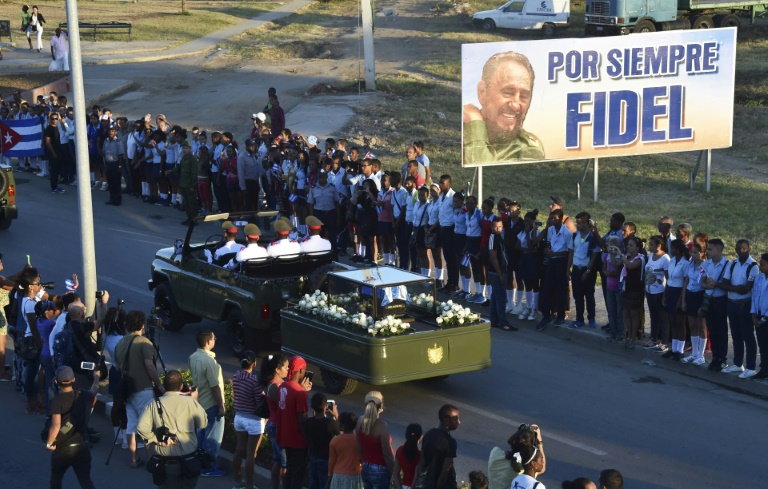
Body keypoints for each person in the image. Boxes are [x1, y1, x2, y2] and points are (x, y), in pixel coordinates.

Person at [463, 51, 544, 165]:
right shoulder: (462, 127)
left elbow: (484, 172)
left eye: (523, 96)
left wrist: (475, 127)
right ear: (483, 92)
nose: (515, 106)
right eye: (508, 93)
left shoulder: (528, 149)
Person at [136, 370, 208, 489]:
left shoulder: (154, 404)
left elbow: (141, 427)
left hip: (165, 463)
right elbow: (202, 423)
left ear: (164, 386)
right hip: (189, 461)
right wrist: (195, 399)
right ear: (181, 386)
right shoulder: (190, 402)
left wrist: (156, 440)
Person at [114, 310, 164, 469]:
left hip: (128, 390)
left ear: (127, 325)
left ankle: (134, 458)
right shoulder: (144, 342)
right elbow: (150, 366)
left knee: (132, 425)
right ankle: (152, 460)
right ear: (143, 325)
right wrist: (159, 384)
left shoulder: (120, 343)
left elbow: (116, 366)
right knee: (149, 426)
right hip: (143, 388)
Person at [45, 366, 100, 489]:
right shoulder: (83, 395)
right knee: (85, 481)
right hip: (82, 446)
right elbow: (95, 388)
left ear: (56, 382)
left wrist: (49, 443)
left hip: (63, 449)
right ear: (74, 379)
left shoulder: (56, 401)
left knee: (56, 480)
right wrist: (96, 376)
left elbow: (56, 425)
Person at [188, 329, 226, 477]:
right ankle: (208, 467)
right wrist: (221, 406)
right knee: (212, 439)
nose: (215, 340)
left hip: (199, 403)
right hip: (211, 405)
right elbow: (215, 387)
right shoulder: (210, 362)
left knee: (201, 436)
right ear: (208, 342)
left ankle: (198, 464)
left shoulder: (193, 357)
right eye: (214, 338)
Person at [721, 239, 759, 378]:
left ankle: (751, 366)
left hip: (745, 304)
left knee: (748, 335)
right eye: (738, 248)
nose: (740, 251)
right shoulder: (732, 264)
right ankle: (737, 364)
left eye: (743, 248)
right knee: (736, 334)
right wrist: (736, 288)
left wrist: (732, 288)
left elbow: (747, 288)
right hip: (732, 302)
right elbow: (724, 284)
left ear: (748, 249)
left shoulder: (753, 265)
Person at [278, 355, 313, 489]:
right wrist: (308, 440)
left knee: (290, 470)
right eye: (304, 370)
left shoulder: (283, 387)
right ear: (300, 371)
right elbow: (302, 419)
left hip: (285, 437)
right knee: (297, 473)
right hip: (297, 440)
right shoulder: (299, 393)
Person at [534, 209, 572, 330]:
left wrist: (556, 255)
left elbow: (569, 251)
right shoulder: (550, 230)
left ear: (561, 219)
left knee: (561, 290)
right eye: (551, 218)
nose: (552, 220)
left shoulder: (567, 233)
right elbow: (549, 243)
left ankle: (560, 315)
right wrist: (548, 251)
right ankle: (546, 315)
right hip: (551, 262)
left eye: (555, 218)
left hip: (561, 262)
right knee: (547, 288)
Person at [232, 350, 265, 489]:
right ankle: (250, 486)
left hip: (239, 418)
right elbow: (260, 402)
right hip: (253, 420)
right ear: (254, 363)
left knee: (239, 449)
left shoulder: (235, 376)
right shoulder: (254, 381)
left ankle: (238, 482)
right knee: (251, 454)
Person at [701, 238, 730, 372]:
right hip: (709, 299)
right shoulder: (706, 264)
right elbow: (701, 281)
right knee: (712, 329)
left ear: (719, 250)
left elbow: (726, 284)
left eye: (711, 249)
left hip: (720, 300)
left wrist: (716, 284)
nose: (708, 251)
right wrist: (706, 284)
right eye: (707, 249)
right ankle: (715, 356)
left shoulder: (727, 264)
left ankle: (722, 358)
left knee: (721, 330)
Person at [567, 212, 600, 329]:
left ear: (587, 222)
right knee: (578, 296)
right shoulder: (575, 235)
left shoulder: (592, 237)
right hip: (576, 268)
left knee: (589, 295)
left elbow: (595, 254)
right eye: (577, 222)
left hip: (587, 270)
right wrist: (568, 268)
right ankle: (579, 319)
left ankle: (591, 319)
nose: (578, 224)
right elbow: (571, 252)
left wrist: (588, 271)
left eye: (580, 222)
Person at [356, 391, 394, 489]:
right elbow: (387, 454)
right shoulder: (382, 426)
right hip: (380, 469)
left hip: (365, 467)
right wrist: (394, 472)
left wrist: (364, 462)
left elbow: (359, 447)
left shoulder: (360, 421)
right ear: (380, 406)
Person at [418, 404, 460, 489]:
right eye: (456, 419)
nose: (459, 422)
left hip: (427, 483)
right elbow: (445, 472)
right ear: (446, 420)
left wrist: (420, 481)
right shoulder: (450, 442)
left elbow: (421, 462)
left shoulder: (429, 434)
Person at [614, 236, 646, 349]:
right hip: (625, 289)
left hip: (636, 289)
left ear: (638, 248)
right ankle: (628, 335)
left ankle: (633, 336)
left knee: (634, 314)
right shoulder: (626, 256)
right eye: (628, 245)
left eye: (631, 245)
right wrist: (612, 253)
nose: (628, 247)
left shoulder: (640, 258)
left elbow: (630, 265)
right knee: (626, 313)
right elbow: (616, 263)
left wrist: (621, 255)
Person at [304, 392, 340, 489]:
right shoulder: (330, 423)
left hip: (312, 457)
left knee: (313, 482)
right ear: (325, 407)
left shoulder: (308, 422)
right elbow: (341, 435)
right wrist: (336, 416)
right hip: (326, 459)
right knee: (324, 484)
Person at [661, 239, 690, 361]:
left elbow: (684, 282)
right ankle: (673, 348)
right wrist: (665, 295)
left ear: (678, 250)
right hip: (670, 290)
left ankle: (680, 349)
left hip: (679, 292)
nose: (671, 250)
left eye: (672, 248)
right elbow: (668, 279)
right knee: (672, 320)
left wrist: (680, 300)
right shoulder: (671, 261)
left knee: (680, 322)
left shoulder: (685, 263)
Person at [264, 354, 290, 489]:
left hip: (276, 426)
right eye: (285, 367)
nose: (288, 369)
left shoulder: (279, 384)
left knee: (278, 460)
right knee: (285, 464)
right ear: (277, 370)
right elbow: (284, 406)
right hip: (277, 427)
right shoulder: (274, 387)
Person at [681, 243, 708, 365]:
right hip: (690, 295)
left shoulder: (706, 266)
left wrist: (703, 304)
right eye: (692, 252)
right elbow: (686, 282)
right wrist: (683, 300)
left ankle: (701, 355)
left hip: (700, 295)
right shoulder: (690, 264)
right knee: (692, 325)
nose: (693, 254)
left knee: (701, 326)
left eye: (696, 252)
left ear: (702, 253)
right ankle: (694, 354)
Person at [488, 217, 516, 331]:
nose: (497, 228)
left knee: (495, 296)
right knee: (501, 298)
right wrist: (500, 274)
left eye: (500, 226)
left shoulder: (499, 237)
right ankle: (503, 322)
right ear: (491, 227)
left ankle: (494, 320)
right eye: (495, 226)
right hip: (496, 272)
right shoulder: (493, 237)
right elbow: (493, 257)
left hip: (500, 270)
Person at [643, 236, 670, 350]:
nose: (649, 247)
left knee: (663, 317)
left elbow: (668, 278)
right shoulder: (651, 256)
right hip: (650, 290)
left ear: (659, 245)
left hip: (660, 291)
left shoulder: (665, 259)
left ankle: (664, 341)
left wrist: (665, 295)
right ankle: (653, 338)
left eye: (652, 244)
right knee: (653, 316)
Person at [329, 412, 363, 489]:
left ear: (342, 426)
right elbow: (362, 459)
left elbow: (332, 461)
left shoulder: (335, 441)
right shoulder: (359, 441)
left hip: (338, 476)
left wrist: (330, 475)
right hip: (354, 476)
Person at [750, 253, 768, 380]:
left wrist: (764, 318)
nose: (760, 266)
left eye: (762, 264)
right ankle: (764, 369)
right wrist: (754, 315)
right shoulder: (759, 278)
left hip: (766, 317)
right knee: (762, 344)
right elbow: (755, 297)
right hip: (759, 315)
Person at [176, 141, 199, 225]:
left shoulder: (192, 159)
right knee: (186, 202)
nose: (185, 150)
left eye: (186, 148)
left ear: (190, 149)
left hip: (189, 184)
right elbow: (179, 168)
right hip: (184, 184)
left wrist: (193, 185)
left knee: (192, 203)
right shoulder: (184, 158)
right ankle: (189, 218)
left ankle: (194, 219)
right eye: (184, 148)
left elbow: (194, 173)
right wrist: (171, 171)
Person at [393, 423, 422, 489]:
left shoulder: (400, 450)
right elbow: (416, 476)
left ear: (406, 435)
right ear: (421, 437)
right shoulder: (419, 454)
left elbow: (395, 473)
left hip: (404, 486)